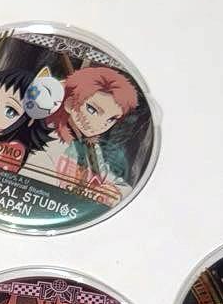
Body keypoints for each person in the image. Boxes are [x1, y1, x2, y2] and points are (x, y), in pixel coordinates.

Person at [21, 66, 141, 205]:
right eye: (92, 110)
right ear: (69, 103)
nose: (100, 124)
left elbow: (109, 178)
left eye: (111, 119)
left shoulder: (91, 147)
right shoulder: (49, 141)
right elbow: (33, 186)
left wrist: (115, 192)